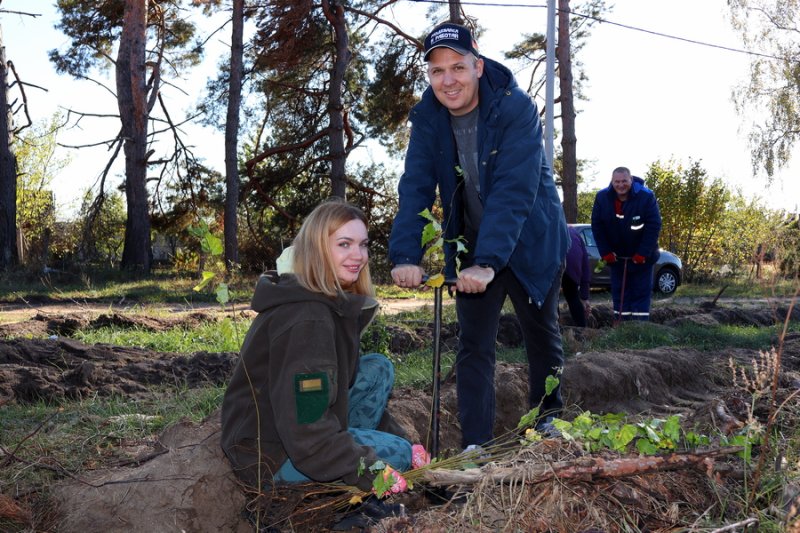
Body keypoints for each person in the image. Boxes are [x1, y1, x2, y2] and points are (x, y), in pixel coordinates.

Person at [388, 22, 570, 449]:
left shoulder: (514, 108)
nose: (448, 80)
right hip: (473, 245)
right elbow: (414, 185)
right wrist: (404, 255)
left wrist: (488, 262)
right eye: (437, 71)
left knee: (540, 333)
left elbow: (513, 191)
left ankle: (548, 418)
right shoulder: (429, 118)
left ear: (477, 66)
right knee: (473, 346)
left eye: (458, 67)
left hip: (531, 239)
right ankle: (475, 445)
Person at [221, 199, 411, 492]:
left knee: (378, 369)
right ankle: (330, 484)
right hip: (269, 454)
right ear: (317, 248)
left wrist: (410, 441)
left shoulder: (330, 302)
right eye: (344, 244)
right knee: (399, 455)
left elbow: (330, 394)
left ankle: (343, 448)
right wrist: (371, 471)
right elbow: (305, 430)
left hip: (296, 424)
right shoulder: (308, 320)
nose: (358, 256)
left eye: (363, 245)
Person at [590, 167, 662, 321]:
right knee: (620, 294)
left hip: (642, 259)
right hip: (617, 259)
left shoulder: (646, 197)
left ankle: (638, 329)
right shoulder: (602, 197)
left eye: (624, 181)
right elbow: (597, 226)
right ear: (612, 181)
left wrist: (643, 253)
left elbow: (654, 226)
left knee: (640, 294)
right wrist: (605, 252)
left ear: (631, 180)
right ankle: (622, 329)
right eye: (617, 181)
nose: (620, 185)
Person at [562, 226, 591, 327]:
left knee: (552, 299)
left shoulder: (552, 228)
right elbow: (586, 266)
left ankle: (553, 330)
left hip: (555, 260)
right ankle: (582, 329)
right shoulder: (574, 233)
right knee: (573, 297)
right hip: (572, 264)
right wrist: (584, 297)